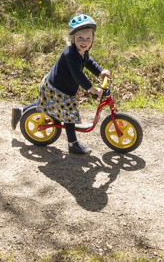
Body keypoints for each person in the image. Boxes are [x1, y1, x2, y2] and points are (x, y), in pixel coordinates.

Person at [23, 13, 111, 155]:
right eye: (80, 38)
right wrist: (92, 89)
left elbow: (88, 62)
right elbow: (78, 75)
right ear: (73, 38)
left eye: (88, 38)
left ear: (93, 39)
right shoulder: (70, 54)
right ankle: (73, 144)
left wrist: (100, 72)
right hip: (57, 88)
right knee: (69, 114)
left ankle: (21, 111)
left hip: (60, 85)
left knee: (48, 105)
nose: (84, 41)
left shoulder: (82, 51)